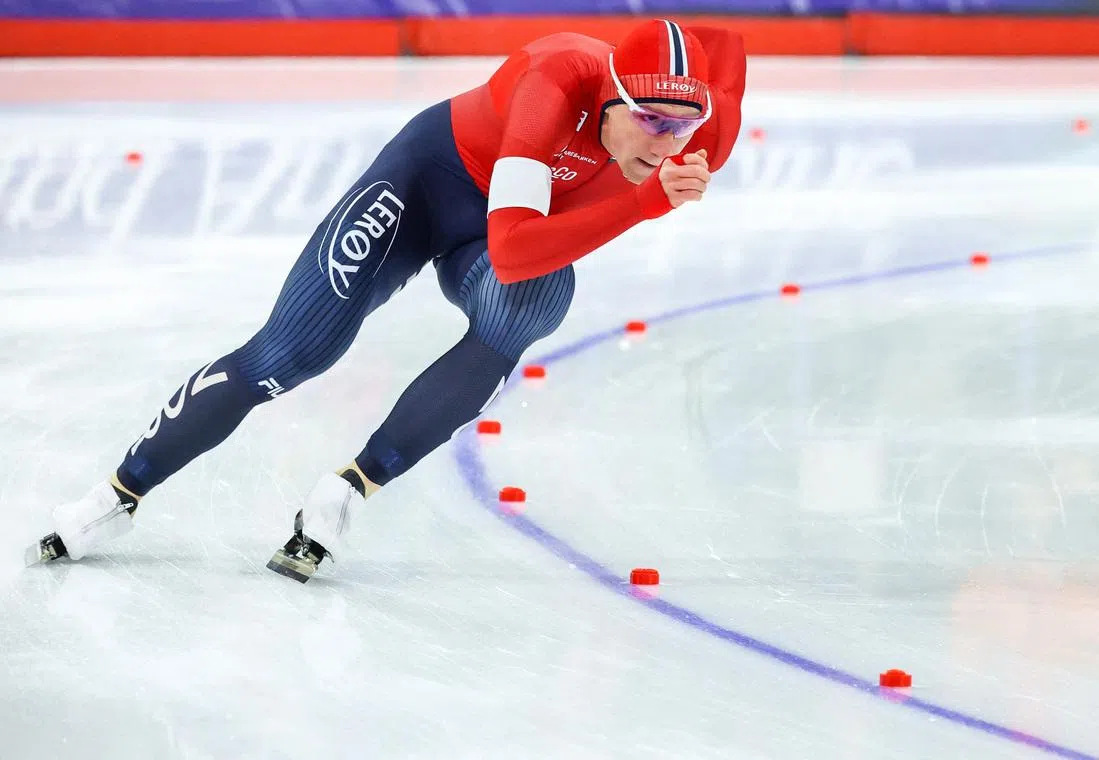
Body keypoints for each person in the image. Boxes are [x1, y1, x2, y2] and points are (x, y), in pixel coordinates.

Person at [26, 18, 747, 582]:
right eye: (650, 121)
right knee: (292, 352)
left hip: (497, 237)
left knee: (533, 305)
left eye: (681, 124)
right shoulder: (554, 81)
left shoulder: (698, 131)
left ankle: (347, 489)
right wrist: (645, 205)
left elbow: (526, 260)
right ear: (610, 98)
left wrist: (657, 172)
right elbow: (513, 245)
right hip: (429, 187)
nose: (666, 142)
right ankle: (119, 494)